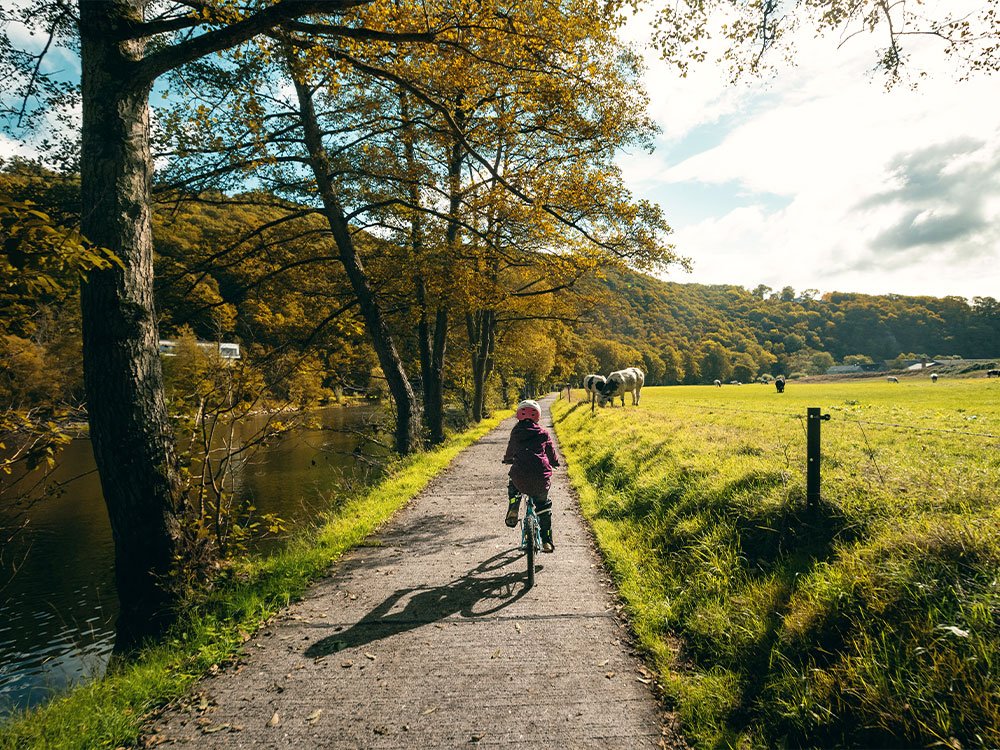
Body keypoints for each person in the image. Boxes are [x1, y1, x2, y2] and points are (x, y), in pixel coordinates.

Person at [501, 399, 559, 552]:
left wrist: (507, 459)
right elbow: (551, 452)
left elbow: (510, 449)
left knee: (514, 484)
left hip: (520, 476)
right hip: (540, 476)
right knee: (543, 506)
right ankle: (546, 541)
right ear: (537, 416)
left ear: (519, 416)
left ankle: (513, 508)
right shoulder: (543, 433)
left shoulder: (516, 432)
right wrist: (555, 462)